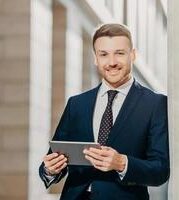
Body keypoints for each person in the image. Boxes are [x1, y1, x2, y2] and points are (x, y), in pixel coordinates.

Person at [39, 23, 169, 200]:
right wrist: (50, 169)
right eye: (104, 54)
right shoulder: (76, 104)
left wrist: (121, 163)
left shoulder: (155, 104)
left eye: (120, 53)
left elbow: (160, 170)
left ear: (133, 55)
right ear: (95, 58)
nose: (112, 62)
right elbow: (53, 158)